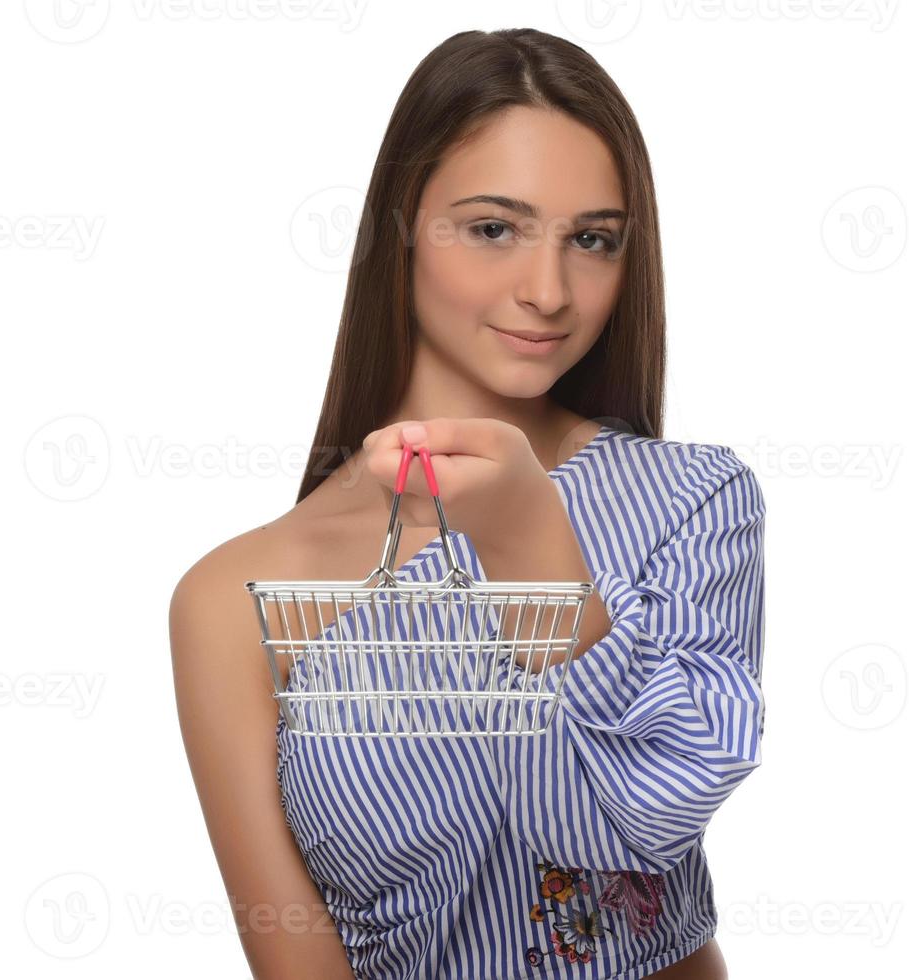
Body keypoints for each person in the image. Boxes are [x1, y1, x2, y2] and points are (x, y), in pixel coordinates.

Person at [170, 28, 766, 979]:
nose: (547, 290)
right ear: (399, 227)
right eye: (494, 228)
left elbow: (661, 808)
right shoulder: (232, 597)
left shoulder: (690, 499)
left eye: (592, 240)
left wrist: (535, 547)